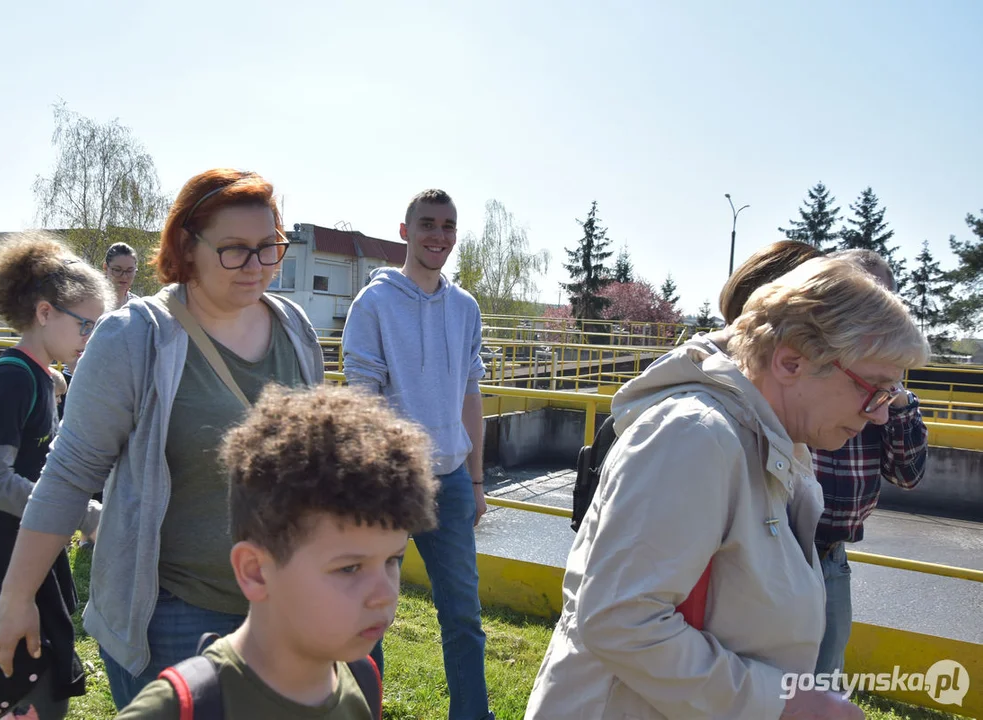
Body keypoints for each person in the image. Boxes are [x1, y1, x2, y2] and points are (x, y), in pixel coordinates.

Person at [524, 256, 930, 719]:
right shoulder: (695, 435)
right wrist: (782, 703)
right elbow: (620, 619)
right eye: (873, 389)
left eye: (890, 396)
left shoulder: (771, 442)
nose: (881, 414)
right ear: (791, 361)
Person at [0, 168, 325, 710]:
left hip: (281, 608)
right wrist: (15, 596)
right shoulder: (136, 336)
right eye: (235, 249)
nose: (257, 265)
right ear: (187, 246)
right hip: (172, 612)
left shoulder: (294, 328)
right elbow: (70, 474)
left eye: (269, 247)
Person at [115, 384, 440, 719]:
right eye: (350, 568)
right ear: (255, 571)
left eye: (392, 560)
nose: (385, 595)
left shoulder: (364, 680)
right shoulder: (178, 709)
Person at [0, 231, 113, 720]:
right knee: (23, 697)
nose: (92, 338)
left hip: (19, 553)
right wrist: (79, 512)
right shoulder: (13, 379)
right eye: (87, 325)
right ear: (45, 312)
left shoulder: (39, 377)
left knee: (16, 695)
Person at [342, 188, 493, 720]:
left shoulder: (465, 307)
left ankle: (473, 715)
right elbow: (361, 397)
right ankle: (365, 712)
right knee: (371, 611)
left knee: (463, 616)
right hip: (390, 484)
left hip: (451, 481)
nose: (440, 236)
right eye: (428, 224)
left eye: (449, 226)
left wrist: (476, 480)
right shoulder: (375, 303)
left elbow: (471, 395)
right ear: (405, 231)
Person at [811, 249, 929, 683]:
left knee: (821, 682)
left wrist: (894, 402)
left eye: (883, 299)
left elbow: (908, 474)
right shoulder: (813, 373)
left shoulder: (885, 390)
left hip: (831, 554)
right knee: (773, 678)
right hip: (780, 544)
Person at [104, 242, 139, 309]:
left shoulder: (137, 307)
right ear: (105, 268)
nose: (124, 276)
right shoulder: (91, 303)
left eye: (129, 271)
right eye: (117, 270)